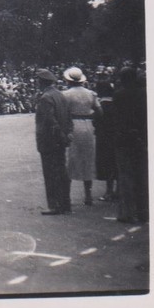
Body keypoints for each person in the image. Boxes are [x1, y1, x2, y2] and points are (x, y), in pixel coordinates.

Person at [111, 64, 148, 224]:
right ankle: (143, 212)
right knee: (141, 175)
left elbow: (116, 119)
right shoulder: (143, 93)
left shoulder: (119, 95)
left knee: (125, 176)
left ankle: (127, 213)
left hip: (123, 138)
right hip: (139, 137)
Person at [33, 68, 74, 215]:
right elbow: (69, 117)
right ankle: (65, 203)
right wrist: (67, 134)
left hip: (50, 140)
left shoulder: (46, 98)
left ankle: (54, 204)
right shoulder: (61, 96)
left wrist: (60, 134)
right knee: (61, 171)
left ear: (41, 82)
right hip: (60, 140)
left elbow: (49, 120)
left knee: (50, 173)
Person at [60, 66, 102, 207]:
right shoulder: (90, 93)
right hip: (88, 125)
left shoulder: (65, 95)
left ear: (68, 80)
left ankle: (67, 197)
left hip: (73, 125)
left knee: (71, 160)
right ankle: (88, 196)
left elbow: (63, 113)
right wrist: (92, 118)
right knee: (88, 159)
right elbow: (99, 111)